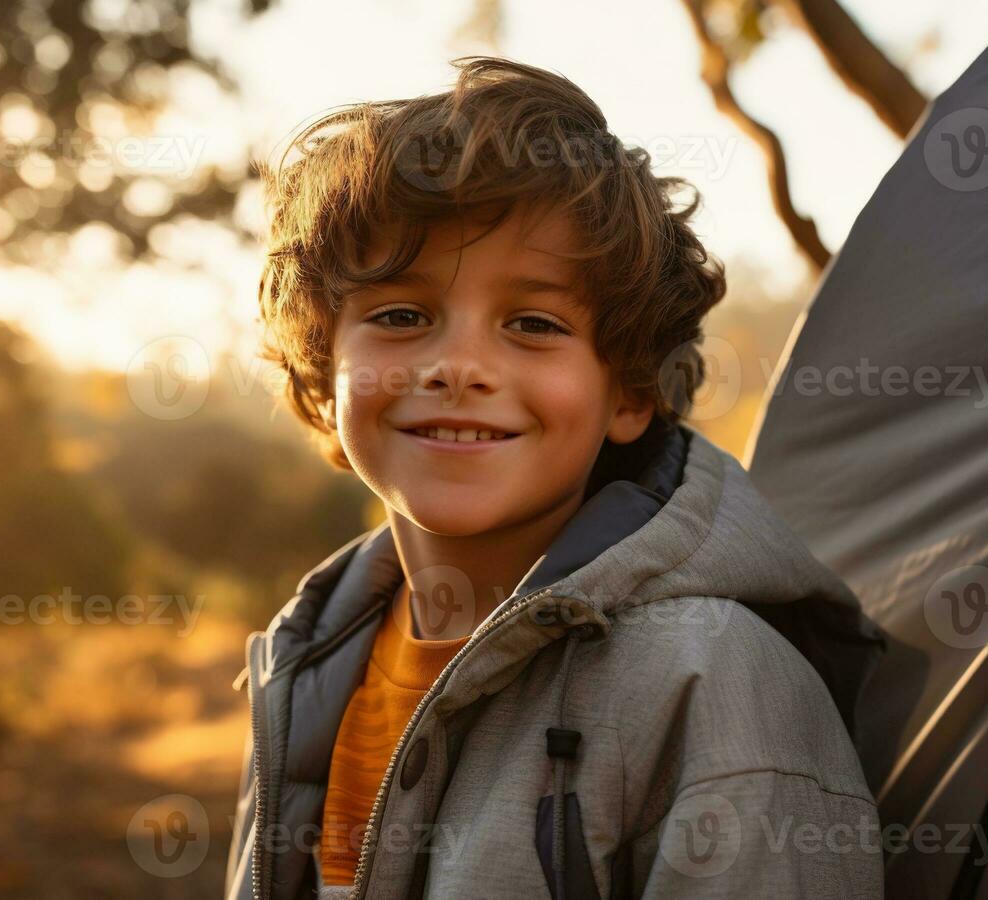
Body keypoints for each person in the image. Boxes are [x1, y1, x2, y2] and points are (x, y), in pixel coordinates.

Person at [224, 56, 884, 899]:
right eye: (400, 315)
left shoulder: (715, 682)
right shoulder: (306, 658)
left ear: (632, 393)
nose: (458, 365)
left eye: (533, 323)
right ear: (323, 373)